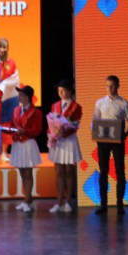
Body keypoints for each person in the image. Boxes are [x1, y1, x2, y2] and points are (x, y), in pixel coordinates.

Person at [91, 75, 128, 215]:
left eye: (112, 86)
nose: (109, 89)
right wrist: (94, 132)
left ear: (117, 86)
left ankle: (120, 204)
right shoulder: (99, 102)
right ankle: (103, 204)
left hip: (117, 140)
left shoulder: (124, 103)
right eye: (107, 86)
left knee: (119, 171)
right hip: (103, 140)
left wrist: (126, 133)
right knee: (103, 171)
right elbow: (95, 120)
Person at [47, 79, 82, 213]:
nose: (60, 93)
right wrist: (51, 135)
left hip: (68, 141)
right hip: (58, 141)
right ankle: (59, 202)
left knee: (69, 171)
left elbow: (75, 125)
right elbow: (50, 122)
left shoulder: (76, 106)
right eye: (59, 91)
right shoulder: (55, 105)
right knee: (59, 171)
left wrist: (65, 130)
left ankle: (68, 202)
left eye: (63, 90)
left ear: (70, 91)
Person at [9, 85, 43, 212]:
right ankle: (28, 200)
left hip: (28, 143)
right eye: (19, 95)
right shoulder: (16, 110)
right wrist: (3, 129)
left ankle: (28, 201)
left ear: (28, 98)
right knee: (22, 173)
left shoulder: (36, 112)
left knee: (28, 173)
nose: (19, 97)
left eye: (21, 95)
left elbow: (37, 130)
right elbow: (12, 125)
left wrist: (25, 131)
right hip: (18, 144)